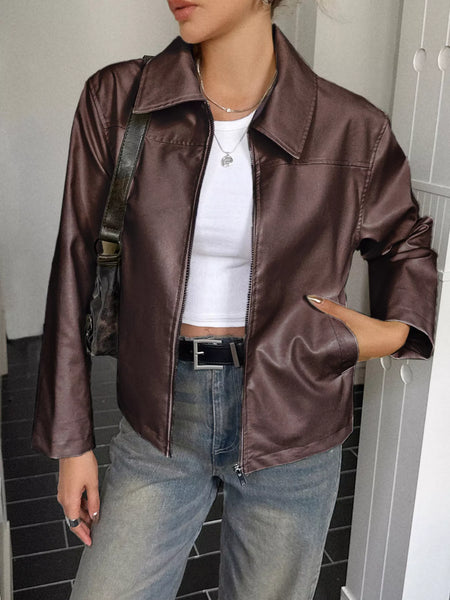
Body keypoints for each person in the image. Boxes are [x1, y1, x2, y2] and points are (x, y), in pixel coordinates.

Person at [32, 0, 437, 598]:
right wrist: (73, 444)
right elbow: (75, 263)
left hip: (293, 416)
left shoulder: (352, 127)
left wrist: (392, 332)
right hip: (162, 415)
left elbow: (404, 243)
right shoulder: (117, 100)